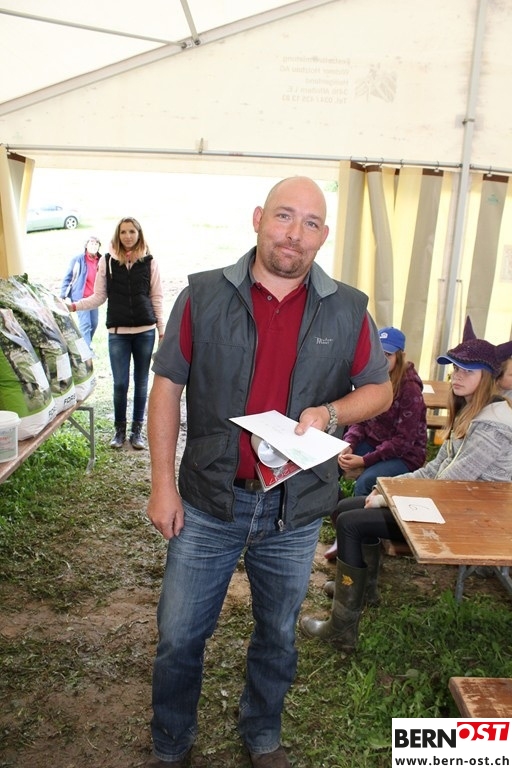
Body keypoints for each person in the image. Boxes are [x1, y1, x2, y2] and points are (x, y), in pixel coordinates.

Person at [145, 176, 393, 768]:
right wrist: (161, 485)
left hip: (294, 510)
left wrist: (332, 413)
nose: (295, 233)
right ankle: (171, 743)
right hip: (209, 502)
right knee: (179, 637)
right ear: (258, 218)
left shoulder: (348, 308)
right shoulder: (203, 295)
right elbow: (167, 388)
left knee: (278, 634)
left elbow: (379, 390)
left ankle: (261, 734)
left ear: (323, 236)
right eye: (284, 216)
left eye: (311, 223)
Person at [300, 317, 512, 654]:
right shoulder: (472, 412)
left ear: (487, 377)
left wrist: (389, 498)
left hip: (469, 520)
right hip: (452, 506)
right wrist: (386, 488)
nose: (457, 376)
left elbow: (450, 483)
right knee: (345, 508)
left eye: (467, 371)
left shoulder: (491, 426)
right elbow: (436, 469)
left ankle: (342, 629)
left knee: (352, 522)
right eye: (455, 369)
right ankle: (362, 589)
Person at [324, 326, 427, 561]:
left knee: (367, 482)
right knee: (329, 466)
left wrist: (364, 460)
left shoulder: (410, 390)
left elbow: (403, 442)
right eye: (377, 353)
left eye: (387, 355)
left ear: (400, 356)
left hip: (404, 455)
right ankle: (343, 528)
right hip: (373, 443)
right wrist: (349, 444)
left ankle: (362, 545)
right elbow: (360, 419)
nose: (381, 359)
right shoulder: (371, 380)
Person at [70, 217, 164, 449]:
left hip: (145, 332)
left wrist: (162, 331)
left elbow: (156, 298)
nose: (128, 236)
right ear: (118, 235)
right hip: (118, 333)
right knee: (120, 383)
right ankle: (119, 431)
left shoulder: (149, 261)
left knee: (141, 383)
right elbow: (99, 296)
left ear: (139, 234)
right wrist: (74, 306)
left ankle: (137, 432)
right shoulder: (107, 261)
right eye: (123, 232)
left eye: (132, 231)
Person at [60, 235, 102, 349]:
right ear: (86, 245)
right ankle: (86, 351)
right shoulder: (78, 260)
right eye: (91, 243)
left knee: (94, 324)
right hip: (80, 298)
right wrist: (63, 295)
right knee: (85, 324)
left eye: (96, 244)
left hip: (94, 299)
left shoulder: (101, 260)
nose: (94, 246)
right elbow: (68, 277)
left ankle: (84, 347)